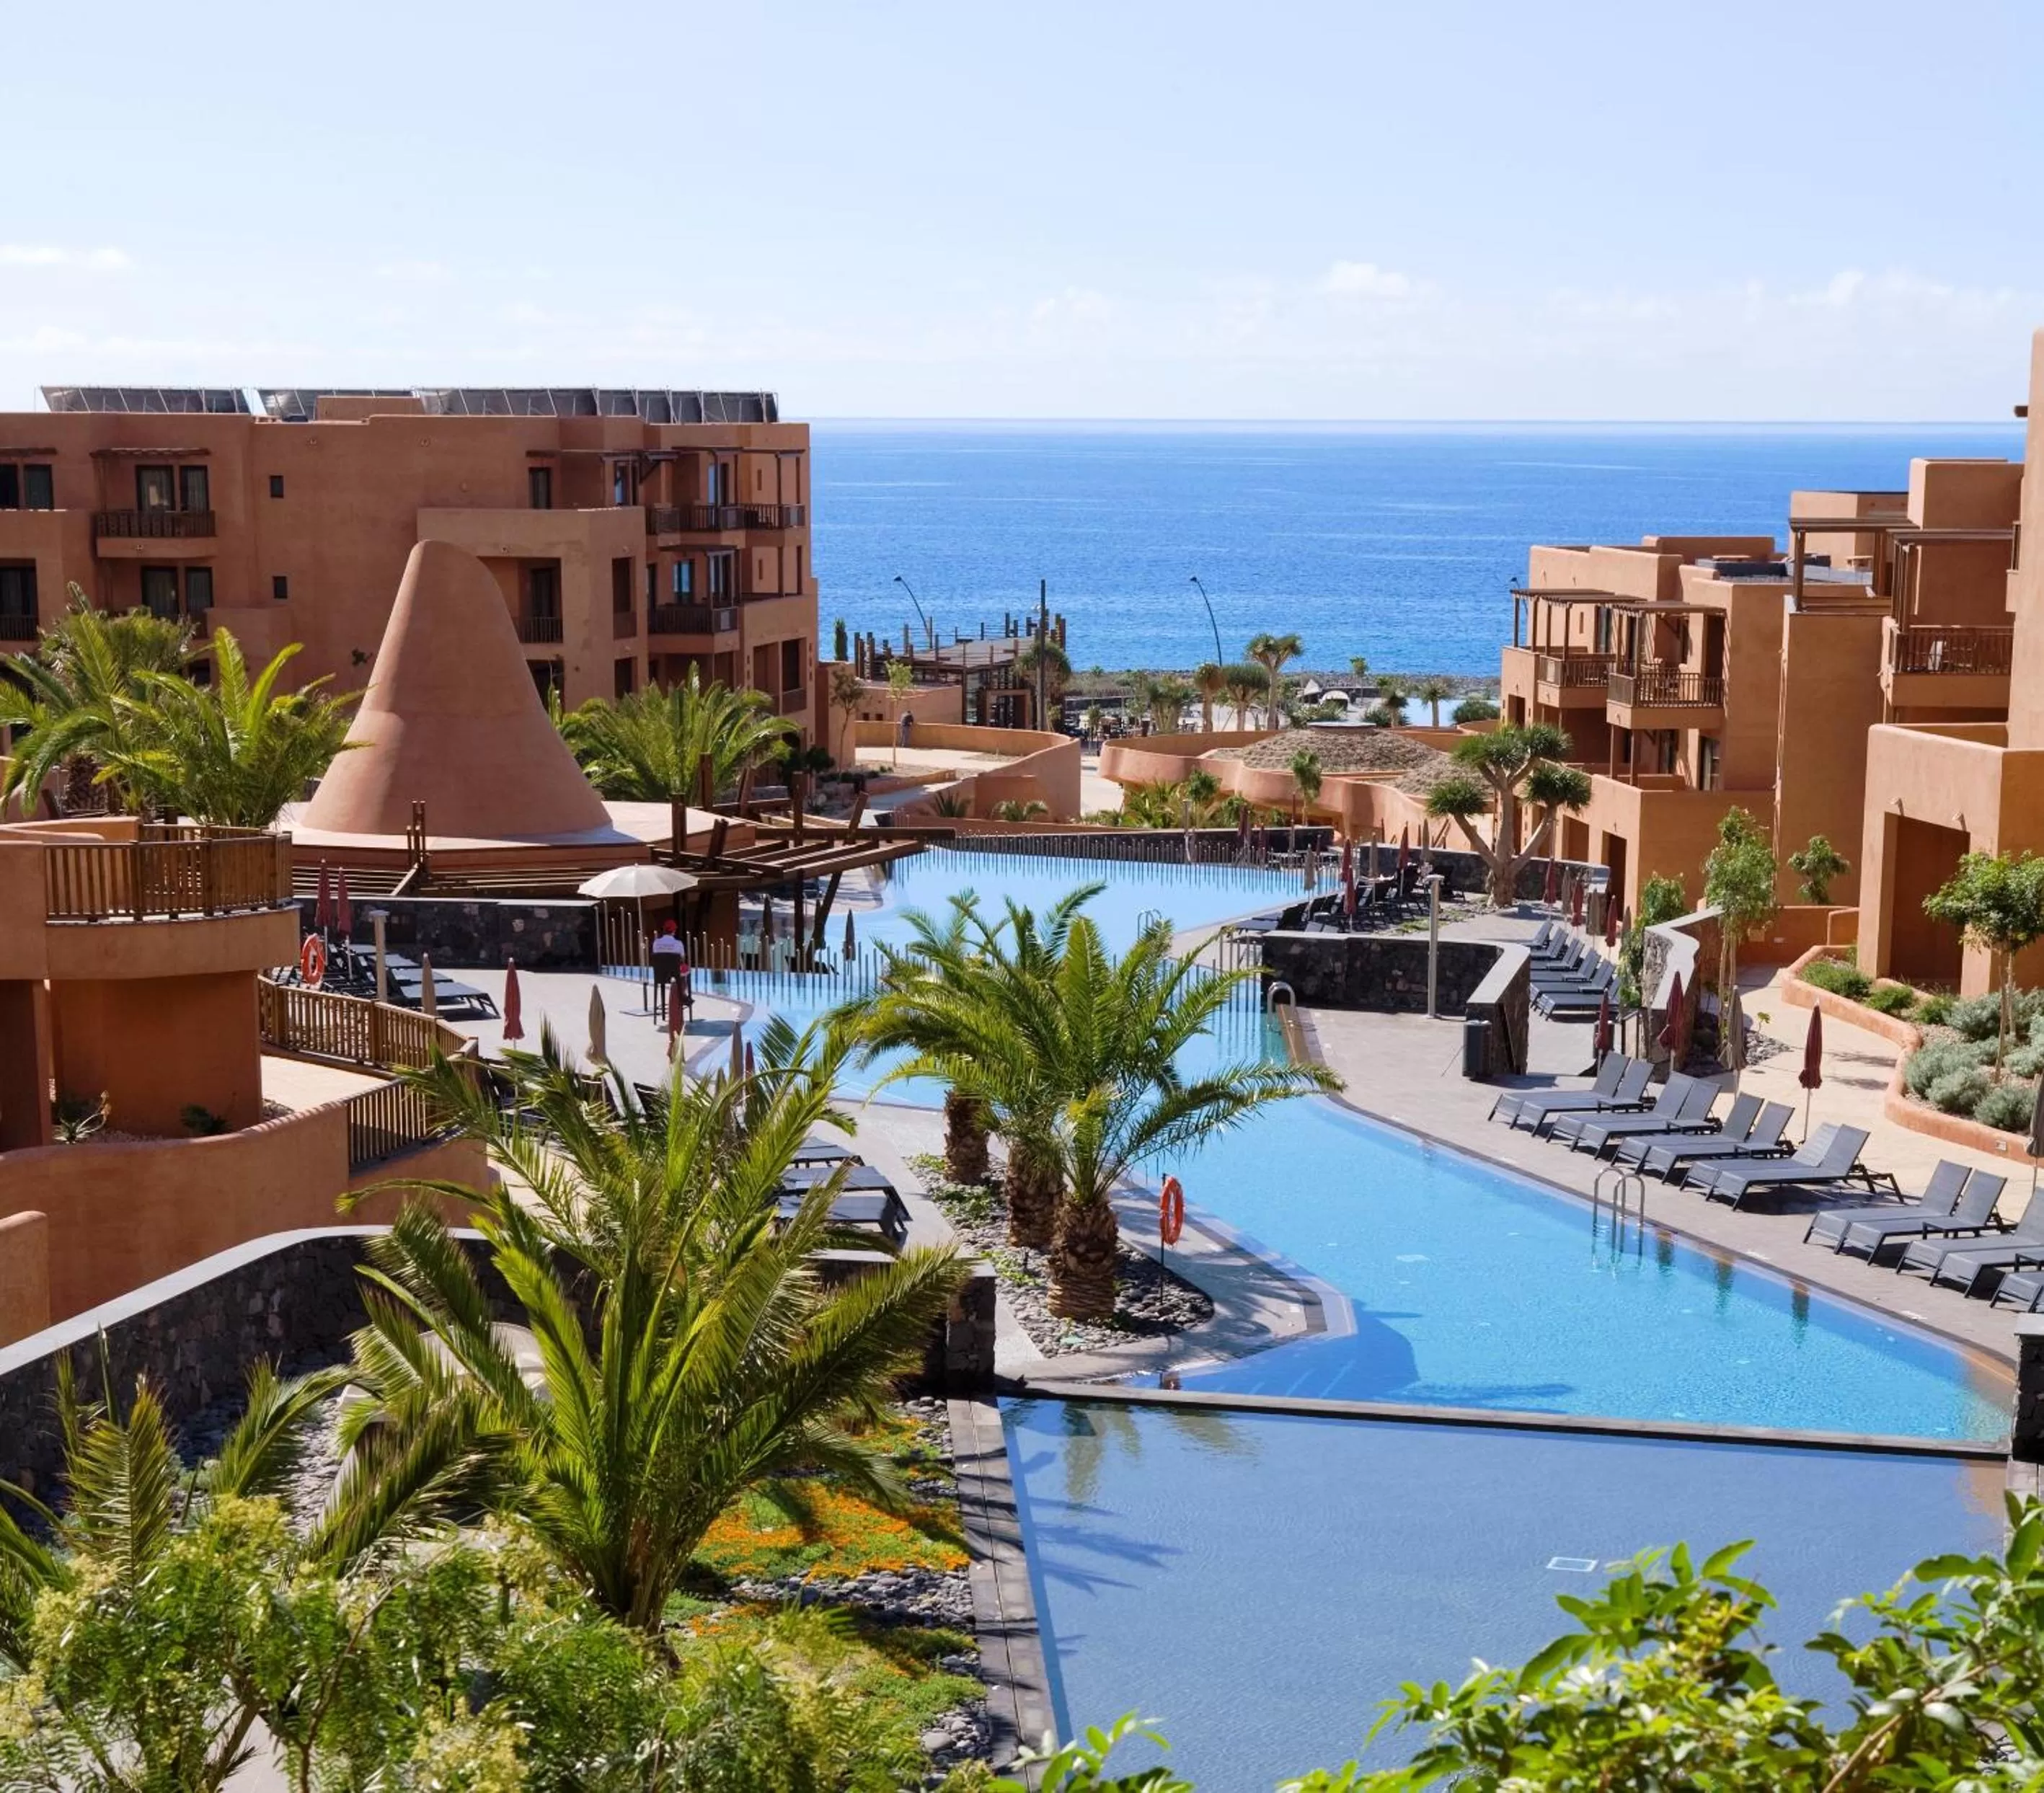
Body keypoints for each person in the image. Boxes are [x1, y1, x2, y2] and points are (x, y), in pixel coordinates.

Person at [651, 919, 686, 1006]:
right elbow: (682, 958)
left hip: (660, 976)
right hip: (675, 975)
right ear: (674, 931)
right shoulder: (678, 944)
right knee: (685, 970)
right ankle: (682, 996)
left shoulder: (656, 943)